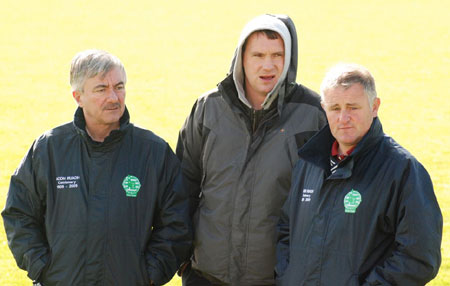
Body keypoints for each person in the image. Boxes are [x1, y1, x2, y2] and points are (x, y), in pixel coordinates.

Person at [2, 49, 192, 286]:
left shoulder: (153, 152)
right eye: (101, 89)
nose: (114, 97)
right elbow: (19, 213)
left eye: (119, 87)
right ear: (78, 97)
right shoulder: (49, 149)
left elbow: (177, 222)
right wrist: (41, 267)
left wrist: (150, 274)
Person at [176, 14, 327, 285]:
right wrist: (182, 255)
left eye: (277, 55)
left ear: (289, 57)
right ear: (241, 58)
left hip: (277, 278)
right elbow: (182, 185)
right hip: (205, 275)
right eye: (258, 55)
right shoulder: (208, 109)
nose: (268, 65)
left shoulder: (313, 114)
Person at [275, 63, 443, 285]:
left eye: (352, 107)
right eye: (335, 108)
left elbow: (419, 257)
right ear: (324, 108)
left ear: (374, 107)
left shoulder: (403, 170)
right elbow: (286, 230)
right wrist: (289, 277)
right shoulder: (309, 163)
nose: (343, 118)